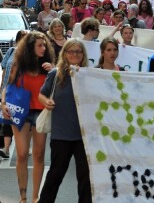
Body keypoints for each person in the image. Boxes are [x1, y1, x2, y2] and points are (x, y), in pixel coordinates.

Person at [0, 31, 54, 203]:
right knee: (22, 154)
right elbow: (6, 86)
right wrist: (2, 104)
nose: (43, 48)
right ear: (30, 47)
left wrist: (54, 71)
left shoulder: (47, 66)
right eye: (39, 45)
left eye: (44, 45)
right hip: (20, 111)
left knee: (39, 155)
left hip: (40, 112)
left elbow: (59, 86)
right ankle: (22, 197)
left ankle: (35, 197)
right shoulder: (19, 64)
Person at [37, 39, 92, 203]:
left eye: (78, 51)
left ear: (83, 55)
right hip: (61, 135)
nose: (75, 54)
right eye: (71, 51)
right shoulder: (55, 74)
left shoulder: (89, 75)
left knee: (85, 178)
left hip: (83, 136)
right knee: (55, 175)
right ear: (65, 54)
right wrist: (45, 102)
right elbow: (42, 94)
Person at [0, 30, 28, 159]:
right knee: (6, 118)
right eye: (22, 38)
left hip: (22, 91)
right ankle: (6, 149)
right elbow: (4, 70)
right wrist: (1, 86)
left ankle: (26, 146)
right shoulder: (11, 51)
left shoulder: (30, 55)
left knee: (24, 119)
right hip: (8, 89)